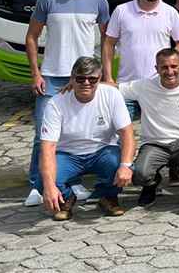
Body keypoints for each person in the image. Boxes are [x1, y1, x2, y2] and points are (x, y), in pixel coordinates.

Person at [24, 0, 110, 207]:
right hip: (51, 77)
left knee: (74, 133)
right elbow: (31, 37)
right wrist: (35, 73)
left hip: (84, 79)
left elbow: (108, 39)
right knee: (43, 135)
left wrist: (105, 73)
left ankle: (70, 182)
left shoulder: (99, 1)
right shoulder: (47, 0)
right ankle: (36, 187)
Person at [36, 56, 135, 221]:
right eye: (80, 78)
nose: (86, 83)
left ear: (100, 79)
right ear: (71, 79)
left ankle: (107, 197)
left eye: (92, 79)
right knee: (43, 180)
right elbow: (48, 147)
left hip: (102, 150)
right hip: (67, 154)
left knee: (118, 163)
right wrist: (48, 186)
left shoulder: (112, 95)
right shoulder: (55, 103)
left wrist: (126, 165)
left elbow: (127, 134)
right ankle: (66, 199)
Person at [118, 48, 179, 206]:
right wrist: (78, 83)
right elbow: (114, 88)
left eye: (174, 66)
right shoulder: (143, 86)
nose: (169, 71)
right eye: (164, 67)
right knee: (140, 174)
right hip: (154, 144)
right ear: (156, 69)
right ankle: (151, 185)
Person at [102, 0, 179, 117]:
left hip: (158, 86)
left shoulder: (170, 12)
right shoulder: (122, 11)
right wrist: (108, 77)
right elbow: (109, 43)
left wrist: (171, 61)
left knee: (159, 136)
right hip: (127, 86)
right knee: (119, 134)